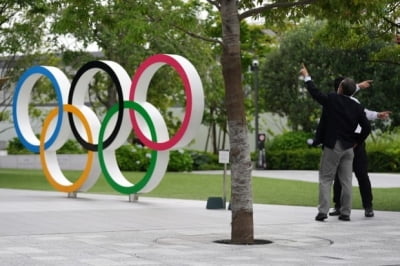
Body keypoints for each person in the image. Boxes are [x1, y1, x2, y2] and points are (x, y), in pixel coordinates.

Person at [299, 64, 371, 222]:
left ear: (340, 88)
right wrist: (357, 141)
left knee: (326, 178)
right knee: (346, 181)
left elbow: (315, 93)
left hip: (334, 145)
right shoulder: (357, 107)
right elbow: (366, 127)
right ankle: (346, 213)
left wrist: (307, 76)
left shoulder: (332, 99)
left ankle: (323, 211)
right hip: (349, 148)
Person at [327, 78, 391, 218]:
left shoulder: (353, 102)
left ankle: (368, 206)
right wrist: (359, 86)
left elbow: (363, 112)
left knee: (361, 175)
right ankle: (338, 205)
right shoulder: (335, 101)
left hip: (356, 142)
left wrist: (377, 115)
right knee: (339, 176)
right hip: (343, 143)